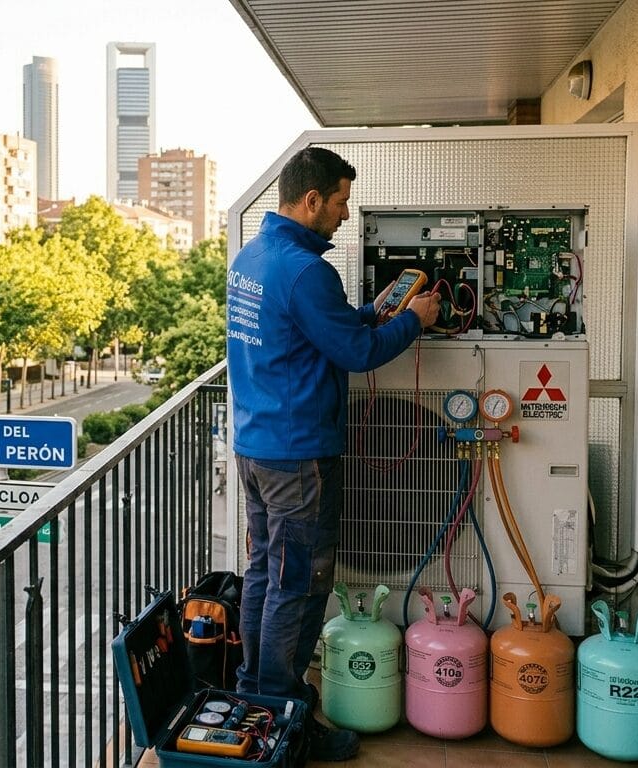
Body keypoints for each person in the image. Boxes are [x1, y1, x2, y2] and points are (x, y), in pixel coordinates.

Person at [225, 147, 439, 761]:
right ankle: (283, 714)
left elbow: (316, 328)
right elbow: (358, 353)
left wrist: (372, 312)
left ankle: (254, 695)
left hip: (257, 447)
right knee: (299, 584)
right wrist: (413, 321)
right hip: (298, 459)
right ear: (313, 199)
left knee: (266, 574)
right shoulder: (307, 271)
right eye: (342, 202)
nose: (346, 214)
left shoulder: (252, 258)